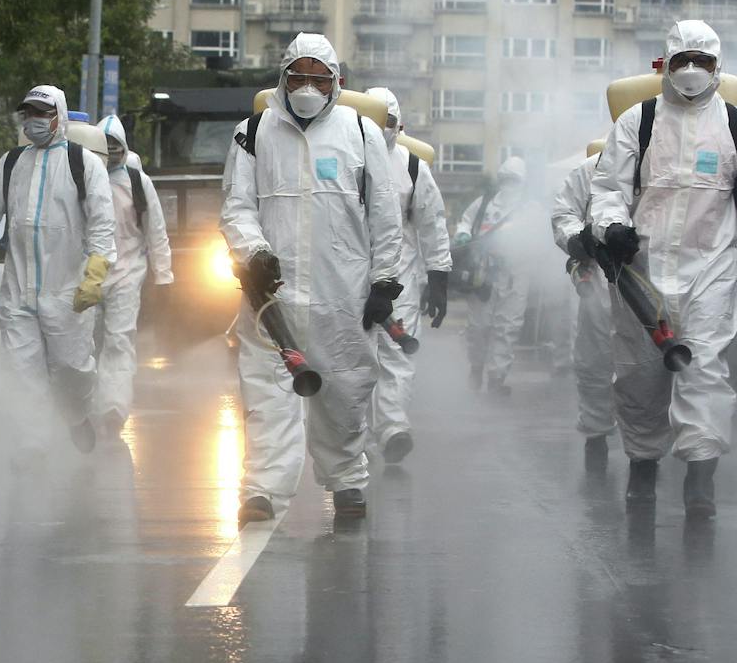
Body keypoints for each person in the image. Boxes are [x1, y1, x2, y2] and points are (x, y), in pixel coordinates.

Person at [221, 33, 403, 523]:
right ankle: (262, 489)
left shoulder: (361, 133)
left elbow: (384, 214)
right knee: (265, 393)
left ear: (336, 83)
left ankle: (347, 479)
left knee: (345, 391)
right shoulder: (254, 132)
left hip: (342, 293)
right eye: (297, 76)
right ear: (281, 78)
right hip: (269, 296)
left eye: (318, 78)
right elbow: (237, 206)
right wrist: (254, 252)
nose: (307, 86)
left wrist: (385, 281)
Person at [585, 20, 737, 518]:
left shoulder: (733, 125)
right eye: (682, 62)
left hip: (712, 267)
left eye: (703, 62)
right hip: (642, 270)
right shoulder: (639, 120)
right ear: (665, 66)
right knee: (639, 374)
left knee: (706, 371)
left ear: (718, 67)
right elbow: (608, 186)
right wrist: (612, 227)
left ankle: (699, 478)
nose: (692, 72)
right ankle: (643, 466)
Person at [0, 85, 116, 467]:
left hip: (67, 290)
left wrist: (95, 271)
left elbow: (101, 222)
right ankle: (34, 444)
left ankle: (77, 415)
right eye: (28, 113)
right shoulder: (12, 163)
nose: (34, 121)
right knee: (22, 370)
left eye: (42, 113)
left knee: (72, 369)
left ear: (59, 116)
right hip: (18, 291)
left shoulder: (83, 164)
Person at [363, 87, 451, 463]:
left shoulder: (413, 167)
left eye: (390, 123)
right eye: (376, 122)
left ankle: (394, 426)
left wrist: (439, 278)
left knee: (397, 354)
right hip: (346, 276)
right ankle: (360, 438)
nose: (384, 129)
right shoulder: (339, 159)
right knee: (355, 357)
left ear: (401, 126)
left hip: (399, 280)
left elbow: (433, 225)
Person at [94, 113, 172, 439]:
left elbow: (156, 231)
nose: (111, 152)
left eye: (116, 146)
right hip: (87, 274)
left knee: (118, 341)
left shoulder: (138, 183)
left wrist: (164, 275)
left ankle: (113, 408)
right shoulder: (83, 176)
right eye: (105, 146)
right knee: (80, 343)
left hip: (126, 274)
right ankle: (83, 404)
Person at [455, 157, 545, 396]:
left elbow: (542, 237)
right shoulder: (484, 204)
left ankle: (497, 377)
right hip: (483, 272)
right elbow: (465, 222)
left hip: (516, 273)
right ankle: (476, 367)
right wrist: (463, 235)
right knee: (478, 326)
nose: (510, 184)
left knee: (508, 327)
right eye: (506, 179)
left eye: (515, 180)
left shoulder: (532, 209)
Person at [551, 151, 616, 468]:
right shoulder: (590, 170)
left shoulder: (676, 163)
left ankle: (648, 454)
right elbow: (564, 214)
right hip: (601, 281)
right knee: (594, 361)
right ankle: (597, 435)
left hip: (660, 283)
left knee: (653, 367)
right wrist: (576, 240)